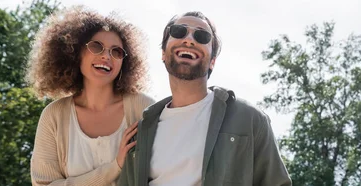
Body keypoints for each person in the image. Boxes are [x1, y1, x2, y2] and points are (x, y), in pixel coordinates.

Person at [117, 11, 292, 186]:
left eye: (202, 36)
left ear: (212, 61)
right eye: (179, 31)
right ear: (163, 53)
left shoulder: (249, 119)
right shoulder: (141, 132)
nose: (189, 40)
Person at [27, 5, 155, 185]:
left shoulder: (143, 108)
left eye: (116, 51)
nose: (106, 56)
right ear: (74, 52)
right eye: (97, 47)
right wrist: (115, 167)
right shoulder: (54, 115)